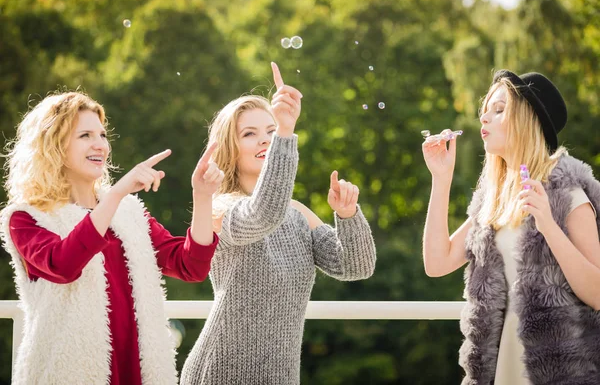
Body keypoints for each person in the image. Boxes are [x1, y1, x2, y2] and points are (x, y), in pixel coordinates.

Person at [0, 91, 224, 385]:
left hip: (139, 374)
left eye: (103, 135)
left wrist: (203, 197)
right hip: (66, 374)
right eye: (85, 135)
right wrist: (117, 193)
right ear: (53, 145)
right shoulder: (26, 217)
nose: (100, 144)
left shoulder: (129, 212)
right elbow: (63, 265)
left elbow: (190, 266)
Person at [180, 62, 377, 385]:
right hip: (219, 373)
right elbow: (262, 215)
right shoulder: (220, 208)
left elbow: (356, 266)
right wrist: (285, 132)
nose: (265, 140)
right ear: (230, 147)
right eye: (250, 134)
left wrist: (348, 215)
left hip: (280, 377)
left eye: (271, 132)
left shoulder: (298, 213)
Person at [421, 69, 600, 384]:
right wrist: (441, 179)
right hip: (499, 372)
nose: (485, 119)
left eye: (499, 109)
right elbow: (437, 262)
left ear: (528, 119)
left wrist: (548, 224)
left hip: (557, 373)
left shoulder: (567, 193)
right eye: (485, 111)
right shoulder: (493, 202)